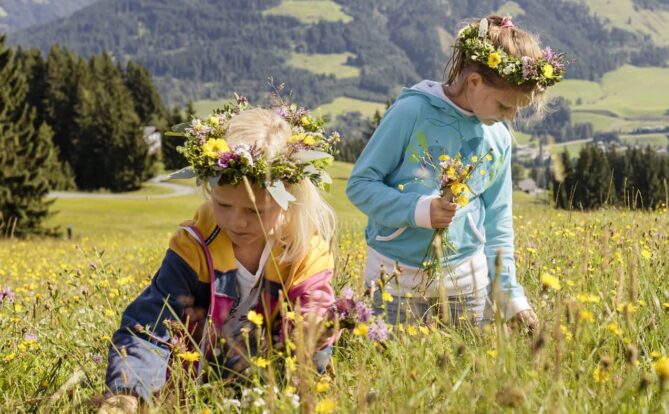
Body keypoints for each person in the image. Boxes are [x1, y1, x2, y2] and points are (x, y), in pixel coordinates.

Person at [99, 103, 339, 411]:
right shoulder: (192, 249)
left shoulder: (304, 252)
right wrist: (129, 391)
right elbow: (149, 326)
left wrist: (310, 328)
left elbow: (314, 317)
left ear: (287, 200)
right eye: (223, 206)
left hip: (268, 391)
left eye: (255, 211)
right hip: (194, 394)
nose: (238, 222)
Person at [346, 15, 566, 331]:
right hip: (394, 284)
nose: (512, 117)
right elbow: (360, 185)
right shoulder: (412, 113)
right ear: (474, 82)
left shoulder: (497, 138)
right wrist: (419, 210)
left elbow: (498, 221)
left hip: (467, 288)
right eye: (505, 105)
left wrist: (510, 296)